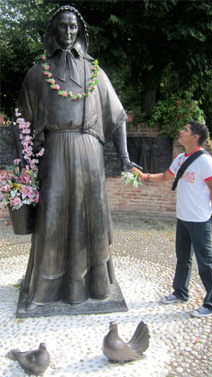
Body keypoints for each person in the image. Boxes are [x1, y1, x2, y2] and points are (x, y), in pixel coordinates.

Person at [14, 5, 138, 311]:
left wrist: (123, 156)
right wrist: (25, 169)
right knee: (53, 215)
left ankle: (95, 286)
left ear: (79, 32)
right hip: (55, 151)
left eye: (73, 27)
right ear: (54, 31)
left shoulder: (95, 72)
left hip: (90, 152)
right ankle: (45, 287)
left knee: (91, 215)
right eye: (63, 27)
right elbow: (21, 124)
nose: (68, 33)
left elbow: (117, 116)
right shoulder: (37, 74)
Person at [131, 120, 212, 317]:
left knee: (206, 262)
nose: (181, 131)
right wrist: (145, 176)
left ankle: (211, 303)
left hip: (200, 219)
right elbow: (166, 176)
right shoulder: (180, 158)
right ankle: (180, 292)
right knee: (183, 259)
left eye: (185, 130)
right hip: (183, 217)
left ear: (195, 137)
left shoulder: (205, 161)